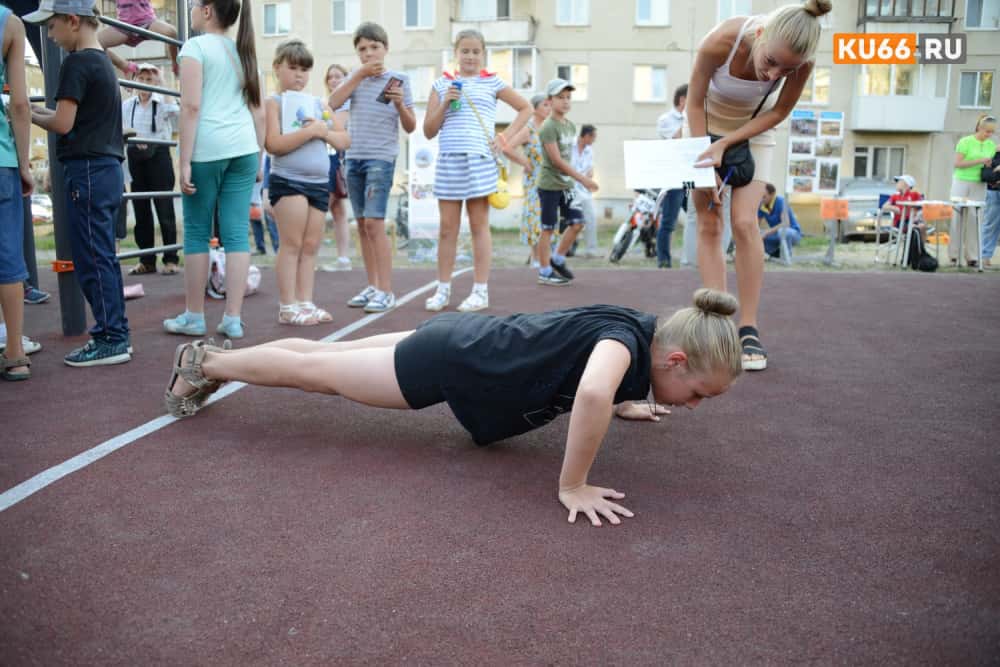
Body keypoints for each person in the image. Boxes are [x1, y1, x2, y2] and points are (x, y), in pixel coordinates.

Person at [164, 288, 742, 526]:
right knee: (318, 374)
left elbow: (608, 379)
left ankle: (214, 360)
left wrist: (627, 403)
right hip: (451, 361)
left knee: (319, 359)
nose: (692, 406)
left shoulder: (638, 332)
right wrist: (573, 485)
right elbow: (592, 389)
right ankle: (206, 364)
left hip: (460, 339)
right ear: (675, 361)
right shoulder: (622, 347)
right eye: (698, 395)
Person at [687, 0, 832, 371]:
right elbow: (693, 102)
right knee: (709, 219)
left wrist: (729, 143)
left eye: (787, 69)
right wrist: (707, 158)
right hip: (704, 125)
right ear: (760, 34)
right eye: (771, 62)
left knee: (745, 222)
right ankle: (716, 323)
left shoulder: (801, 64)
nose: (773, 75)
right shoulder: (721, 41)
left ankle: (748, 327)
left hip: (754, 132)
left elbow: (779, 111)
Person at [27, 0, 132, 367]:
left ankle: (112, 338)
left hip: (86, 169)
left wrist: (28, 115)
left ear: (73, 21)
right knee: (102, 254)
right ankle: (114, 332)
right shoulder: (101, 62)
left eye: (52, 27)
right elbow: (74, 117)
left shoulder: (77, 63)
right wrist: (43, 113)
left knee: (91, 258)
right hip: (104, 168)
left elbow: (64, 125)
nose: (50, 36)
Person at [163, 0, 264, 340]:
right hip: (245, 148)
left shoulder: (195, 47)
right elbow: (258, 111)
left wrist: (184, 160)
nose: (191, 12)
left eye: (194, 5)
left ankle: (195, 316)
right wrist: (260, 158)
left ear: (207, 11)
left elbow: (191, 106)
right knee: (237, 233)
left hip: (208, 148)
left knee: (196, 232)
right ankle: (232, 319)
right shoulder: (244, 52)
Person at [422, 29, 531, 313]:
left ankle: (480, 291)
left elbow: (525, 107)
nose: (470, 56)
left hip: (479, 160)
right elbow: (429, 130)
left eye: (475, 51)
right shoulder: (441, 84)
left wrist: (504, 137)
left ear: (483, 54)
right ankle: (443, 290)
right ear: (455, 53)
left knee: (479, 226)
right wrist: (446, 100)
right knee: (447, 229)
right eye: (465, 51)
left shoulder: (492, 82)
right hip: (449, 160)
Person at [327, 22, 416, 314]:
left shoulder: (399, 79)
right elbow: (333, 101)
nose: (369, 53)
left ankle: (387, 290)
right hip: (353, 158)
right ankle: (373, 285)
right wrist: (359, 75)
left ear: (385, 48)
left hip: (381, 158)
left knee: (375, 223)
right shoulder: (354, 79)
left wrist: (401, 105)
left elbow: (411, 126)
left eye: (374, 47)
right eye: (363, 49)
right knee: (363, 225)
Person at [264, 39, 350, 326]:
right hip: (288, 181)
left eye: (304, 69)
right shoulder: (273, 103)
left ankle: (305, 301)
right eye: (293, 68)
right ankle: (287, 306)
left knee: (311, 245)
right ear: (278, 68)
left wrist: (322, 131)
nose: (299, 75)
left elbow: (343, 140)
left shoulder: (319, 103)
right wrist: (310, 132)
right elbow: (273, 144)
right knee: (292, 244)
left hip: (318, 183)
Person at [535, 78, 598, 286]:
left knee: (578, 222)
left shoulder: (570, 126)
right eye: (560, 97)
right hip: (550, 185)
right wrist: (583, 180)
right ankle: (544, 271)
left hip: (567, 186)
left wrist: (581, 176)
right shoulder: (547, 127)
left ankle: (558, 259)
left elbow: (570, 158)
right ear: (549, 101)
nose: (565, 101)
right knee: (548, 228)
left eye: (568, 97)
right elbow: (557, 161)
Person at [0, 6, 34, 379]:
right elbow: (20, 104)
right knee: (7, 255)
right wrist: (25, 165)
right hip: (1, 158)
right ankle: (14, 353)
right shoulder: (9, 22)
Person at [121, 62, 180, 276]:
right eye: (142, 79)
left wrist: (163, 84)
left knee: (165, 210)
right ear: (135, 81)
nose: (145, 84)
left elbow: (177, 117)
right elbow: (120, 129)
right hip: (136, 158)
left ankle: (171, 259)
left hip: (159, 158)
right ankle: (146, 260)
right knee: (141, 212)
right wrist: (135, 139)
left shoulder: (162, 102)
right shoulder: (127, 105)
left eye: (150, 80)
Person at [503, 92, 551, 269]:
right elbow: (507, 148)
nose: (549, 108)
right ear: (535, 108)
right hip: (534, 180)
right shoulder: (528, 129)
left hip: (551, 179)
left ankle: (546, 258)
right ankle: (535, 257)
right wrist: (524, 162)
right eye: (546, 105)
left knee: (549, 218)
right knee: (535, 218)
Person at [950, 114, 996, 267]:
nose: (989, 135)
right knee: (958, 217)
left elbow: (990, 162)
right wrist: (980, 161)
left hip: (979, 183)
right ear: (979, 128)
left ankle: (972, 257)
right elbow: (957, 163)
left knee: (975, 219)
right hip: (961, 181)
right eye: (986, 131)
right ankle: (954, 255)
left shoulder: (991, 145)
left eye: (991, 132)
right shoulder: (965, 142)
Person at [320, 63, 353, 272]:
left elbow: (334, 127)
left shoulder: (344, 105)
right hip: (327, 157)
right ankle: (342, 258)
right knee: (337, 210)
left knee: (325, 208)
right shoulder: (326, 104)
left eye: (338, 76)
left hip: (338, 160)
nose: (333, 80)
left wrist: (323, 115)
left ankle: (340, 258)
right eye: (330, 77)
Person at [97, 0, 178, 78]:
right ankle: (125, 66)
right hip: (124, 26)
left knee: (172, 32)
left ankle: (176, 63)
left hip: (147, 22)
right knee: (94, 43)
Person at [656, 84, 688, 269]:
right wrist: (688, 122)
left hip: (692, 176)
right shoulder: (666, 119)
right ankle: (664, 260)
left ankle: (693, 257)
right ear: (683, 99)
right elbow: (674, 140)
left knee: (698, 216)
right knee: (669, 220)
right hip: (674, 177)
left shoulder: (693, 118)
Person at [570, 124, 598, 258]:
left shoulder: (590, 150)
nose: (594, 141)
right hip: (568, 188)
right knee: (570, 220)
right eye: (593, 137)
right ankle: (564, 248)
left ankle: (591, 251)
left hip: (583, 189)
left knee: (591, 217)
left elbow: (590, 168)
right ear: (586, 136)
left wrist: (590, 174)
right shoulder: (569, 146)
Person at [757, 183, 802, 258]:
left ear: (772, 194)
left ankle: (786, 256)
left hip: (793, 233)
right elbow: (756, 224)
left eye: (764, 197)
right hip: (776, 234)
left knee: (782, 231)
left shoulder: (781, 201)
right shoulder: (762, 205)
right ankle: (774, 252)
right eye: (760, 197)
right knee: (756, 234)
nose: (761, 199)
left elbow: (785, 224)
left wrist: (767, 232)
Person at [249, 151, 278, 255]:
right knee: (254, 217)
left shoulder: (268, 150)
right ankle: (260, 247)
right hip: (255, 186)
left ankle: (277, 248)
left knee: (271, 219)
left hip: (266, 185)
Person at [880, 174, 925, 241]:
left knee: (921, 226)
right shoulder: (895, 196)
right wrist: (895, 208)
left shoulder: (914, 194)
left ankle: (920, 249)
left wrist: (916, 217)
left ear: (906, 184)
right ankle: (914, 248)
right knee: (917, 227)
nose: (896, 183)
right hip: (899, 222)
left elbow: (923, 206)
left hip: (913, 220)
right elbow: (884, 206)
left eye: (899, 181)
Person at [982, 149, 1000, 268]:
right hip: (993, 191)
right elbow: (987, 169)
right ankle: (984, 256)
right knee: (991, 225)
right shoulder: (994, 151)